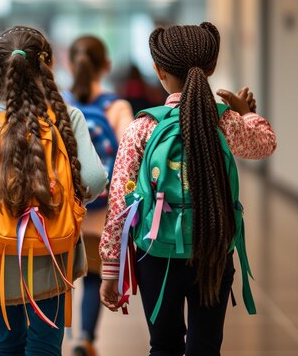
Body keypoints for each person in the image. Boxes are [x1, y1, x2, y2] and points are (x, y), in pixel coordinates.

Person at [99, 22, 277, 356]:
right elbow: (265, 144)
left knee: (163, 345)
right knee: (206, 347)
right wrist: (247, 115)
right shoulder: (224, 121)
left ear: (158, 70)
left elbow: (121, 200)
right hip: (213, 248)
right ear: (211, 68)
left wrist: (112, 269)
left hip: (156, 254)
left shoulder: (143, 127)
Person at [0, 26, 108, 356]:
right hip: (53, 250)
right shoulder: (67, 117)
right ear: (46, 67)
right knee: (45, 344)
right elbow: (94, 179)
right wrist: (73, 198)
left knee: (9, 344)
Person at [67, 35, 134, 356]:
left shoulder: (58, 104)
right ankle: (84, 338)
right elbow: (132, 156)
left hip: (61, 208)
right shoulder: (117, 107)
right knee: (94, 277)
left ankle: (57, 337)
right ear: (106, 66)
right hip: (100, 211)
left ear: (68, 64)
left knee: (57, 277)